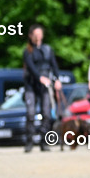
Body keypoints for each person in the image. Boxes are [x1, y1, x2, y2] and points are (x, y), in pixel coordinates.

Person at [23, 24, 63, 152]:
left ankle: (44, 141)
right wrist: (39, 77)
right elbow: (31, 67)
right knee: (30, 113)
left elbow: (54, 65)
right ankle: (29, 141)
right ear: (30, 36)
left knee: (46, 113)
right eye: (35, 34)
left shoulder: (48, 49)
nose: (38, 37)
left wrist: (57, 79)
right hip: (31, 85)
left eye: (39, 34)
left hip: (45, 86)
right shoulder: (27, 51)